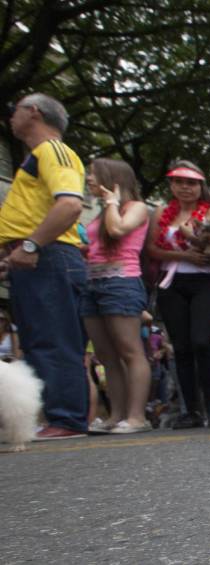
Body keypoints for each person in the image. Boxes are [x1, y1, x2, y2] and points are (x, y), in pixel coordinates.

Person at [0, 93, 89, 440]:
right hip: (36, 258)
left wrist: (30, 244)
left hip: (49, 256)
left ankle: (66, 417)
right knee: (39, 340)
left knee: (54, 340)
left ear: (34, 112)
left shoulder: (54, 151)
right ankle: (57, 416)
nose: (10, 117)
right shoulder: (38, 156)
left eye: (15, 109)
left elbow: (69, 205)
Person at [145, 160, 210, 428]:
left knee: (202, 342)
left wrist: (208, 253)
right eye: (179, 182)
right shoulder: (161, 212)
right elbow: (152, 249)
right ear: (171, 185)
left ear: (200, 186)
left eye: (191, 183)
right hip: (173, 283)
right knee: (180, 347)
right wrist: (184, 255)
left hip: (206, 282)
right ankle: (190, 410)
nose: (185, 188)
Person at [81, 158, 152, 433]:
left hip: (121, 282)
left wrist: (112, 202)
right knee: (106, 355)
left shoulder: (136, 207)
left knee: (130, 350)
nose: (88, 179)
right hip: (93, 283)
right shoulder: (100, 213)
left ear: (112, 178)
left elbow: (117, 230)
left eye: (93, 174)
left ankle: (137, 417)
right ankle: (116, 415)